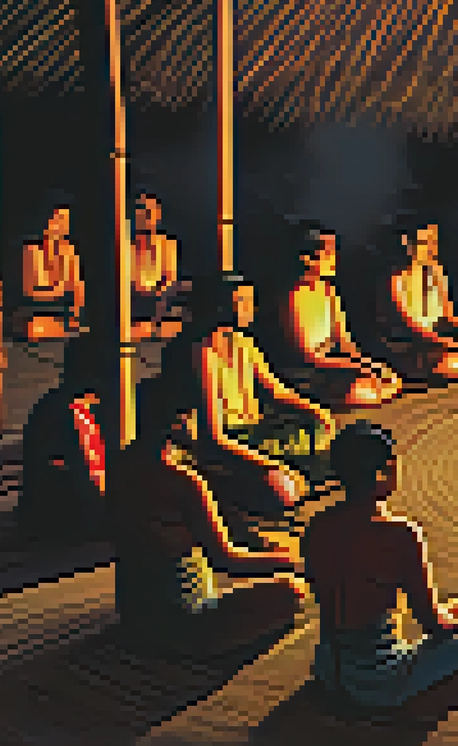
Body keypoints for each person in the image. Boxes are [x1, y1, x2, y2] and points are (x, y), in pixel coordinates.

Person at [303, 421, 458, 709]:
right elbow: (435, 626)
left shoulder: (317, 527)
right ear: (386, 470)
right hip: (378, 680)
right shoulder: (398, 534)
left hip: (327, 667)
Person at [108, 375, 306, 658]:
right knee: (293, 592)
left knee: (273, 546)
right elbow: (226, 559)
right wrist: (296, 563)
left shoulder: (121, 464)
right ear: (176, 422)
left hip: (134, 612)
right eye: (193, 418)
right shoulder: (180, 479)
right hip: (185, 620)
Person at [191, 273, 334, 542]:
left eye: (250, 301)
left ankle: (299, 485)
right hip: (233, 440)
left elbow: (275, 389)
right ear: (223, 306)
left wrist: (315, 410)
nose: (249, 308)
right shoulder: (205, 352)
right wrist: (273, 464)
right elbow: (216, 435)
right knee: (284, 487)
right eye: (242, 301)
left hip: (259, 430)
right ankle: (244, 506)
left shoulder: (245, 342)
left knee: (317, 434)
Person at [280, 224, 401, 408]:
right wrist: (355, 368)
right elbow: (308, 356)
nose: (334, 258)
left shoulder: (328, 291)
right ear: (309, 259)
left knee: (389, 379)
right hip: (311, 370)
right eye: (328, 252)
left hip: (335, 361)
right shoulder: (295, 296)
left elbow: (345, 343)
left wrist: (367, 363)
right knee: (365, 390)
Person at [16, 336, 108, 543]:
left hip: (43, 512)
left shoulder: (51, 402)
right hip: (68, 520)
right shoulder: (76, 411)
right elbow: (92, 479)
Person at [382, 221, 458, 380]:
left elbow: (448, 315)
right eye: (426, 242)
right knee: (453, 361)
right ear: (410, 245)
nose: (431, 248)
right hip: (412, 341)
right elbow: (406, 324)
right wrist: (440, 341)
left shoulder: (435, 272)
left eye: (434, 241)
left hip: (437, 335)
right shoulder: (397, 279)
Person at [130, 192, 190, 342]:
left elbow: (169, 279)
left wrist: (157, 292)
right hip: (133, 303)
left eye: (152, 209)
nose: (147, 214)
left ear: (158, 214)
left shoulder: (167, 244)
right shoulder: (126, 245)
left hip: (158, 304)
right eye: (142, 209)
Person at [19, 203, 83, 341]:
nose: (62, 226)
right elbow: (31, 292)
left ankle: (67, 329)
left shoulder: (69, 250)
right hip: (37, 309)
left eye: (65, 221)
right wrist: (59, 289)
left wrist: (76, 312)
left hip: (63, 310)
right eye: (59, 219)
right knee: (34, 328)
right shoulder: (33, 250)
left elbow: (77, 286)